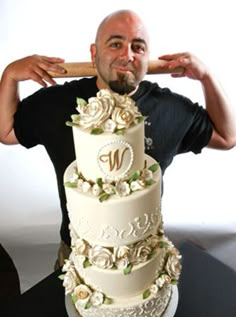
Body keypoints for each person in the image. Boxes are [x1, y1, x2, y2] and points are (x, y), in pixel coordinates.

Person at [0, 10, 235, 269]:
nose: (127, 55)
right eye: (115, 44)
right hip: (76, 255)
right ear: (93, 52)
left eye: (138, 46)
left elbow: (227, 137)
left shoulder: (169, 108)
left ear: (147, 56)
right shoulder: (57, 103)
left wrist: (206, 77)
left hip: (144, 256)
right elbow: (6, 132)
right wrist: (10, 75)